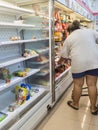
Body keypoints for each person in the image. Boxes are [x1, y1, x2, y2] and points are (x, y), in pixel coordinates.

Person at [58, 20, 98, 115]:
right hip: (93, 61)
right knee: (92, 85)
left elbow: (63, 56)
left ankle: (75, 104)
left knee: (78, 85)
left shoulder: (69, 38)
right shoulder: (90, 31)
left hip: (78, 63)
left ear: (70, 31)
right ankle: (93, 108)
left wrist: (59, 62)